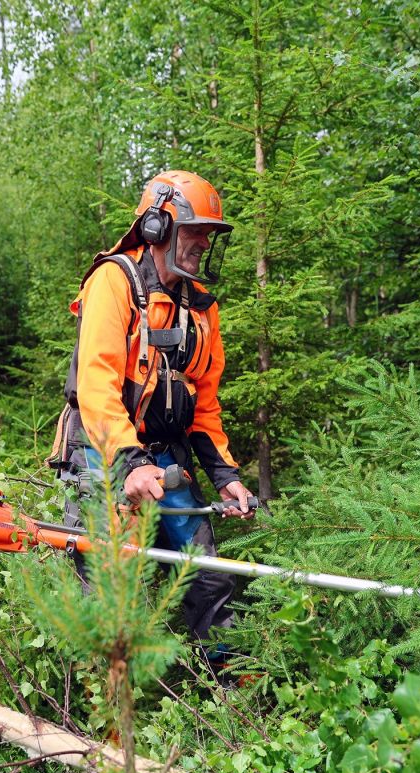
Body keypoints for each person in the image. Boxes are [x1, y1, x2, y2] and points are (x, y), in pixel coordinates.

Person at [48, 169, 255, 660]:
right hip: (104, 452)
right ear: (160, 226)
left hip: (167, 455)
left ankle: (234, 684)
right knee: (106, 579)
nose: (204, 242)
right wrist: (130, 464)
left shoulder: (201, 307)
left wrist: (225, 475)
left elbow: (203, 402)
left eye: (210, 233)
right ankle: (100, 707)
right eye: (196, 230)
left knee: (203, 570)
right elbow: (96, 386)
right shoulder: (114, 282)